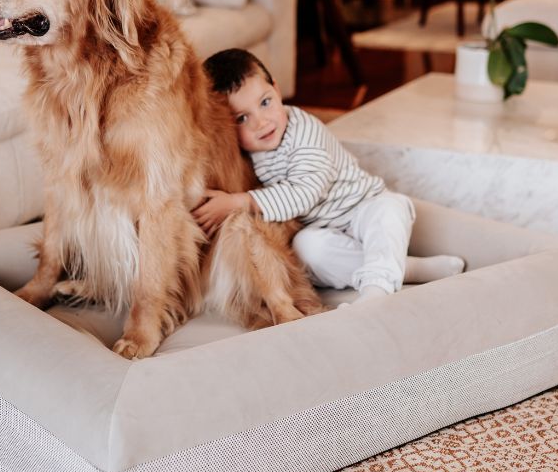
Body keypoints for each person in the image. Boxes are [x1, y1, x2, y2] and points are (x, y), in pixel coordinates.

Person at [193, 49, 464, 300]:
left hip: (360, 208)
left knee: (389, 210)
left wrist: (241, 202)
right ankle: (407, 269)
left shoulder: (304, 130)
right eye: (242, 118)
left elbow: (305, 192)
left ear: (276, 89)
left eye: (265, 102)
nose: (261, 122)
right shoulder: (246, 153)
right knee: (307, 250)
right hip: (323, 230)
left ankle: (375, 292)